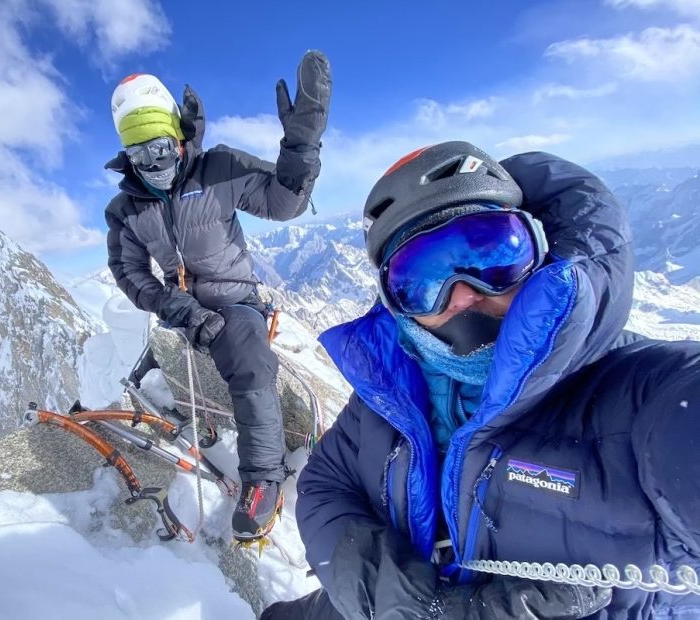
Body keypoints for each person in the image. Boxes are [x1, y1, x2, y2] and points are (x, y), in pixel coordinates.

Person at [262, 142, 700, 618]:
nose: (464, 296)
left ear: (541, 249)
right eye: (422, 280)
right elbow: (326, 485)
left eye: (493, 254)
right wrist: (410, 605)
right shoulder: (392, 391)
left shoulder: (645, 398)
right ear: (395, 305)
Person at [104, 52, 332, 542]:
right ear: (127, 155)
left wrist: (301, 143)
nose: (155, 164)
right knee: (146, 379)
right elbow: (128, 271)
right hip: (181, 309)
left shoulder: (220, 168)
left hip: (235, 301)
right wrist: (174, 306)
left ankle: (263, 480)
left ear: (179, 135)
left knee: (250, 364)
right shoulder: (125, 209)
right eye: (141, 155)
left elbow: (283, 202)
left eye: (162, 147)